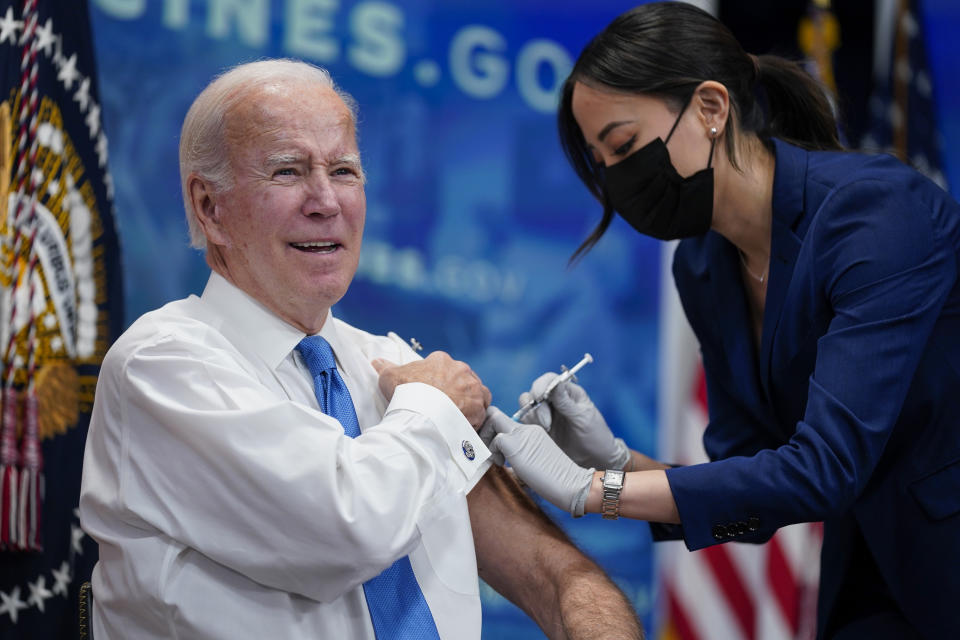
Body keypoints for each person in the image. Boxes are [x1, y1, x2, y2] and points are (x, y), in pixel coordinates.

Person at [78, 59, 642, 639]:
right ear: (209, 207)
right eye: (288, 171)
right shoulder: (162, 363)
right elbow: (346, 530)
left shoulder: (391, 362)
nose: (326, 201)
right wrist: (434, 410)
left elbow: (555, 575)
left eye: (344, 170)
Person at [481, 2, 960, 639]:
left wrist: (593, 490)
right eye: (601, 163)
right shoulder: (704, 267)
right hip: (872, 581)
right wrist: (617, 460)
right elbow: (752, 480)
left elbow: (822, 469)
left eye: (624, 145)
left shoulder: (873, 212)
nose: (618, 180)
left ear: (711, 108)